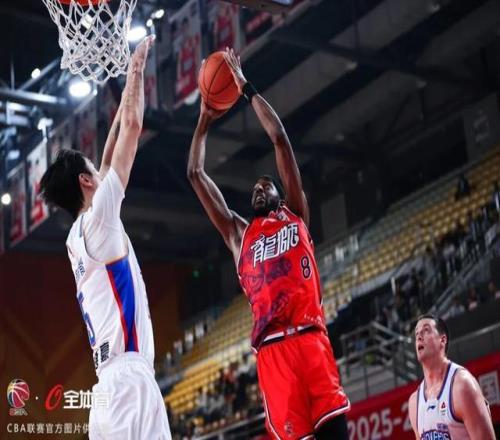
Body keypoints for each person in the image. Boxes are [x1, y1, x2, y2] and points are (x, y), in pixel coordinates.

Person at [188, 47, 350, 440]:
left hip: (311, 339)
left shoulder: (296, 213)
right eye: (255, 189)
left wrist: (245, 87)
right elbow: (195, 173)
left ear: (281, 193)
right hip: (273, 353)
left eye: (266, 186)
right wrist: (204, 121)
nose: (259, 189)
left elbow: (279, 139)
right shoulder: (240, 234)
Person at [40, 37, 171, 440]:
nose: (102, 171)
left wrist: (119, 91)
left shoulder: (77, 237)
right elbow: (132, 127)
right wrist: (136, 69)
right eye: (94, 171)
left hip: (106, 395)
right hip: (130, 383)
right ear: (86, 181)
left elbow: (111, 149)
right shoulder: (99, 219)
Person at [408, 315, 494, 439]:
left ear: (442, 340)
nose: (419, 336)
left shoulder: (462, 385)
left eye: (426, 330)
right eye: (417, 333)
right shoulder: (414, 402)